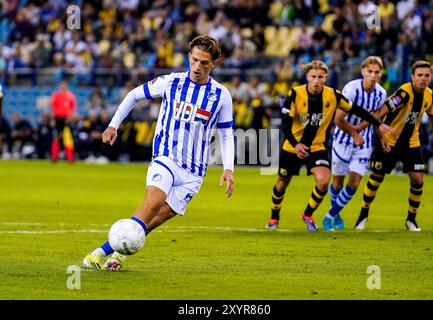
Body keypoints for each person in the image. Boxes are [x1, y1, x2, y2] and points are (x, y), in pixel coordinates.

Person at [82, 35, 235, 270]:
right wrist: (114, 124)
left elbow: (226, 132)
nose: (197, 67)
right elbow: (134, 95)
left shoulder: (221, 95)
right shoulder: (170, 82)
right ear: (188, 57)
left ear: (213, 63)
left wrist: (228, 168)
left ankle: (119, 254)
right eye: (194, 60)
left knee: (156, 218)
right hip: (166, 158)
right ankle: (97, 254)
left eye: (204, 63)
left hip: (194, 172)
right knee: (152, 204)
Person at [265, 60, 394, 232]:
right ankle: (274, 217)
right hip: (292, 147)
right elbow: (285, 124)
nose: (317, 80)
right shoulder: (295, 93)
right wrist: (296, 145)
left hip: (317, 147)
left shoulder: (333, 95)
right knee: (282, 183)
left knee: (324, 181)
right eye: (313, 77)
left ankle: (308, 215)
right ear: (307, 77)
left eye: (320, 77)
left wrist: (378, 123)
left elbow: (357, 110)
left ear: (326, 77)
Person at [354, 60, 433, 231]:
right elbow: (381, 112)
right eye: (419, 75)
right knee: (376, 178)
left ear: (430, 77)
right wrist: (358, 129)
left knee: (418, 180)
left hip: (412, 144)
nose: (423, 79)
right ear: (412, 77)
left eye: (427, 75)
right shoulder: (403, 93)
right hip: (389, 141)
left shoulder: (430, 95)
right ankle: (363, 214)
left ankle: (411, 219)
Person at [322, 56, 387, 231]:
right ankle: (337, 216)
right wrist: (354, 133)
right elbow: (338, 119)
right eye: (370, 72)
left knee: (355, 183)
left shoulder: (381, 94)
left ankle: (330, 216)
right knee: (337, 182)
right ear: (363, 71)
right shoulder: (351, 89)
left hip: (363, 143)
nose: (373, 75)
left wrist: (382, 138)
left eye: (377, 72)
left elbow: (375, 119)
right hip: (342, 140)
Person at [50, 80, 77, 162]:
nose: (63, 87)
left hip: (67, 119)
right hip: (58, 118)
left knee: (68, 138)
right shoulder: (56, 95)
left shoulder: (71, 96)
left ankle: (70, 158)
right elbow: (53, 108)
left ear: (67, 86)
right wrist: (52, 119)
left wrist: (70, 117)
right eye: (62, 86)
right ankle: (54, 157)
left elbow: (73, 108)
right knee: (56, 137)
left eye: (64, 86)